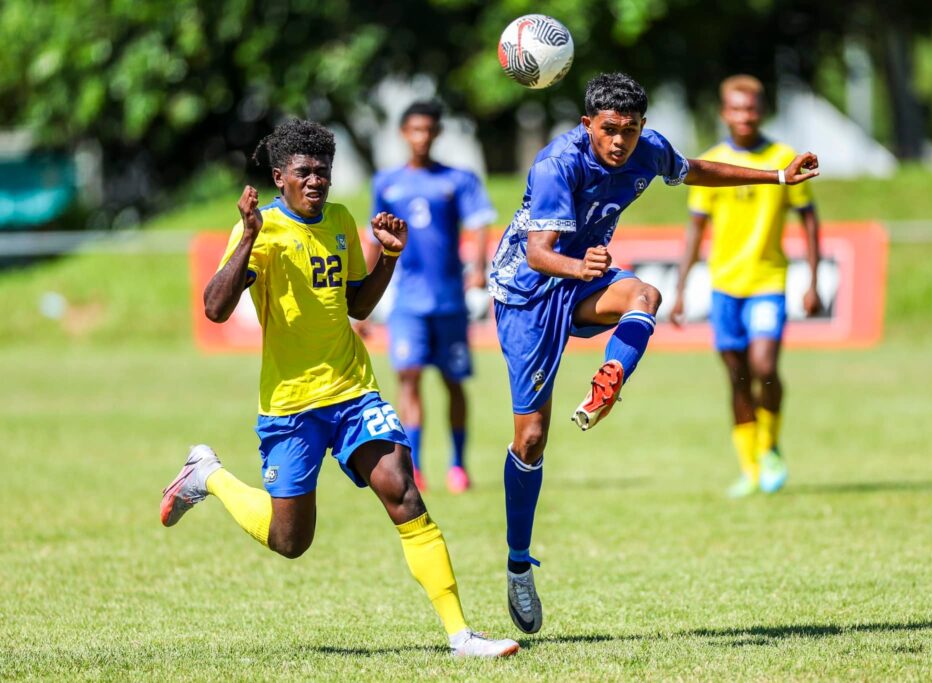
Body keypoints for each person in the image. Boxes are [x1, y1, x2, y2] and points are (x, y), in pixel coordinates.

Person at [159, 119, 518, 658]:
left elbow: (358, 305)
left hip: (353, 391)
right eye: (303, 172)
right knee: (290, 542)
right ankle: (207, 475)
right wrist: (251, 237)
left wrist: (389, 256)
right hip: (290, 405)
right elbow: (215, 309)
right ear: (279, 177)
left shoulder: (344, 220)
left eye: (322, 172)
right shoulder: (261, 229)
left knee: (403, 490)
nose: (315, 181)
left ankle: (461, 635)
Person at [488, 73, 818, 634]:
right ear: (588, 123)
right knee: (532, 438)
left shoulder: (650, 150)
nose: (620, 142)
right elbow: (541, 254)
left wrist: (776, 176)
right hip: (526, 294)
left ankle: (611, 376)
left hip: (582, 282)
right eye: (610, 130)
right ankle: (519, 564)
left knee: (646, 295)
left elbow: (697, 170)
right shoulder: (555, 165)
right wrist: (579, 266)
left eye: (631, 131)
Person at [669, 75, 821, 499]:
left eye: (751, 108)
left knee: (765, 367)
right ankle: (750, 467)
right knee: (737, 377)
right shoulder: (711, 163)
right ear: (724, 113)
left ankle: (770, 446)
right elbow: (695, 231)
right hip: (724, 286)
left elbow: (808, 218)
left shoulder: (784, 158)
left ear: (762, 110)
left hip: (768, 280)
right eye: (736, 108)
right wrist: (680, 289)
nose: (744, 116)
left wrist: (810, 280)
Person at [362, 100, 496, 494]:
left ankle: (457, 465)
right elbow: (375, 239)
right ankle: (416, 466)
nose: (421, 137)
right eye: (414, 129)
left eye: (428, 130)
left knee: (454, 382)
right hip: (408, 304)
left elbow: (479, 224)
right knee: (408, 380)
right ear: (404, 133)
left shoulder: (458, 180)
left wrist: (478, 268)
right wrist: (362, 302)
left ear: (436, 134)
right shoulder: (386, 182)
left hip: (450, 301)